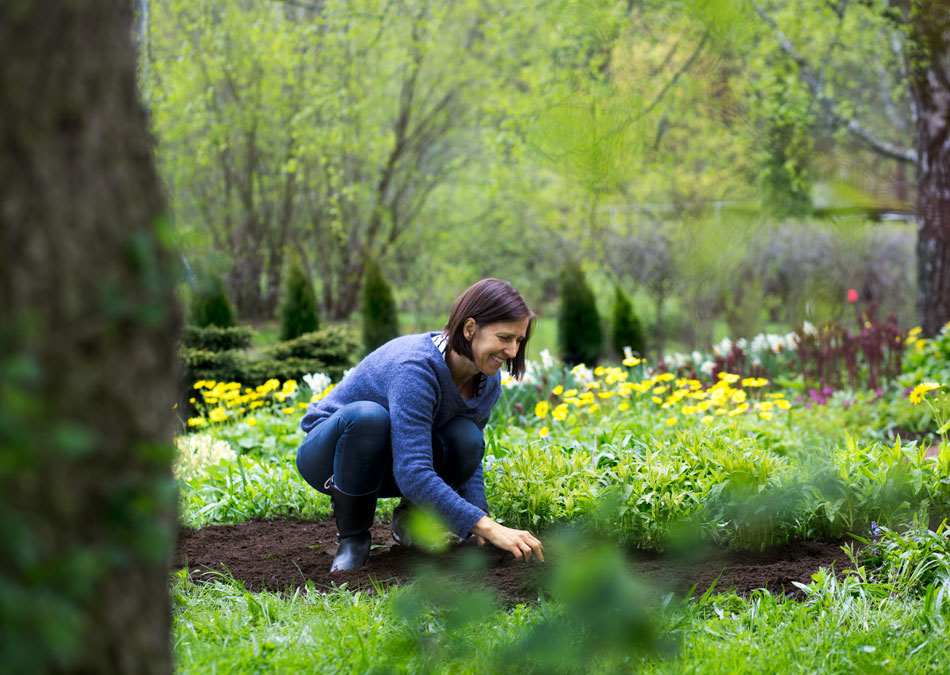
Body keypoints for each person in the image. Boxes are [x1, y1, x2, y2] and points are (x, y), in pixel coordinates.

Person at [296, 278, 545, 572]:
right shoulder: (415, 367)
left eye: (518, 341)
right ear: (469, 329)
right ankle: (353, 539)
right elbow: (412, 471)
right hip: (332, 457)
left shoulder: (485, 381)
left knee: (467, 438)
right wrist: (489, 527)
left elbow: (468, 458)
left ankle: (410, 520)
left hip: (389, 462)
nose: (513, 352)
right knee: (369, 417)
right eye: (504, 338)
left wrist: (479, 517)